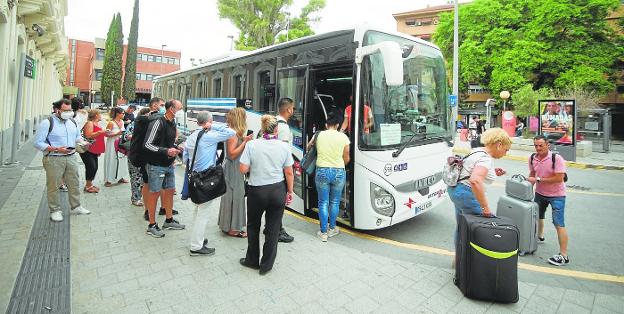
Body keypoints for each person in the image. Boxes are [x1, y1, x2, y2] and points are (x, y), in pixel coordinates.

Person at [239, 115, 294, 275]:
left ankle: (252, 260)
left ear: (262, 129)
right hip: (277, 190)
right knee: (273, 229)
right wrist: (289, 192)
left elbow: (243, 169)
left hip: (256, 191)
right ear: (276, 129)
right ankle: (266, 265)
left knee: (253, 226)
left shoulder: (252, 145)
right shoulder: (284, 147)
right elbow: (289, 172)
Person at [448, 128, 510, 250]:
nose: (505, 153)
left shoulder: (476, 151)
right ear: (499, 145)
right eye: (505, 149)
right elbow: (475, 180)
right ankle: (474, 262)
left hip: (456, 191)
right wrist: (485, 208)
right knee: (479, 231)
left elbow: (470, 170)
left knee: (462, 227)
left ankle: (460, 261)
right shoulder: (486, 158)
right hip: (467, 194)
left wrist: (492, 172)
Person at [183, 112, 236, 256]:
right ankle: (196, 246)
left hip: (194, 178)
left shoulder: (192, 136)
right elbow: (231, 132)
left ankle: (197, 239)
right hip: (206, 179)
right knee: (203, 213)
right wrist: (213, 126)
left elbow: (185, 157)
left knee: (198, 210)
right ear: (208, 122)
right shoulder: (209, 136)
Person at [33, 99, 90, 221]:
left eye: (70, 110)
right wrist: (56, 149)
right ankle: (55, 210)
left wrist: (84, 142)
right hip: (54, 158)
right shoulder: (47, 123)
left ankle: (76, 206)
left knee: (74, 183)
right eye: (65, 110)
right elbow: (38, 143)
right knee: (53, 185)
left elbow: (77, 136)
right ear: (56, 110)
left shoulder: (72, 122)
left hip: (71, 157)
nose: (68, 113)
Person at [143, 99, 185, 238]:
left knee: (169, 191)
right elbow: (147, 144)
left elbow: (169, 142)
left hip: (168, 164)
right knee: (154, 193)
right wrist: (166, 151)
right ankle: (152, 225)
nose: (182, 111)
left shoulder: (172, 123)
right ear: (171, 109)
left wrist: (177, 147)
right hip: (156, 165)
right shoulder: (158, 122)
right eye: (180, 108)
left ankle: (169, 220)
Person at [307, 111, 350, 242]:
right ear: (337, 125)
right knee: (335, 202)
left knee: (323, 202)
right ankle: (332, 228)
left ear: (326, 125)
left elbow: (308, 147)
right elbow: (347, 157)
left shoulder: (318, 135)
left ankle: (323, 232)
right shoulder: (343, 137)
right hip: (338, 171)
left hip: (322, 171)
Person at [527, 135, 569, 266]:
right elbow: (532, 174)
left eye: (541, 145)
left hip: (557, 196)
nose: (538, 148)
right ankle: (539, 236)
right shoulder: (532, 157)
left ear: (547, 145)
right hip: (540, 193)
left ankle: (563, 255)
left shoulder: (556, 158)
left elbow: (559, 178)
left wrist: (538, 180)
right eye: (536, 146)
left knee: (558, 223)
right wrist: (528, 189)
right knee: (537, 216)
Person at [218, 108, 253, 237]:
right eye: (244, 117)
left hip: (231, 168)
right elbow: (232, 154)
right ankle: (233, 229)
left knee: (229, 197)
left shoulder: (232, 133)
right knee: (236, 197)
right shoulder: (233, 134)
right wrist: (245, 142)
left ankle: (226, 225)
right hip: (233, 168)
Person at [272, 98, 296, 243]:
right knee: (279, 202)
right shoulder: (284, 128)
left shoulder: (273, 122)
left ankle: (271, 226)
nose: (293, 110)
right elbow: (283, 153)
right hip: (280, 171)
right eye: (292, 108)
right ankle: (278, 230)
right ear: (288, 110)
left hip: (271, 168)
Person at [124, 107, 151, 206]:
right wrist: (134, 136)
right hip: (134, 154)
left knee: (143, 178)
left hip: (143, 155)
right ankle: (135, 198)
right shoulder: (135, 123)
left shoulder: (149, 126)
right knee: (136, 177)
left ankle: (141, 196)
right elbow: (126, 136)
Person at [80, 110, 106, 193]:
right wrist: (100, 132)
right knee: (91, 167)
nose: (101, 116)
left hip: (94, 149)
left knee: (94, 167)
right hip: (88, 149)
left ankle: (89, 184)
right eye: (99, 114)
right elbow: (88, 135)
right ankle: (88, 186)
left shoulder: (96, 124)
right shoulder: (89, 123)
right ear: (95, 115)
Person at [103, 107, 129, 187]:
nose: (124, 115)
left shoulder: (121, 121)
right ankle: (108, 180)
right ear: (118, 114)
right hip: (112, 143)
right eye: (123, 113)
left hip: (121, 144)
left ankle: (120, 177)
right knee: (112, 159)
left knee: (121, 159)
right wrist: (117, 133)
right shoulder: (111, 123)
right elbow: (106, 134)